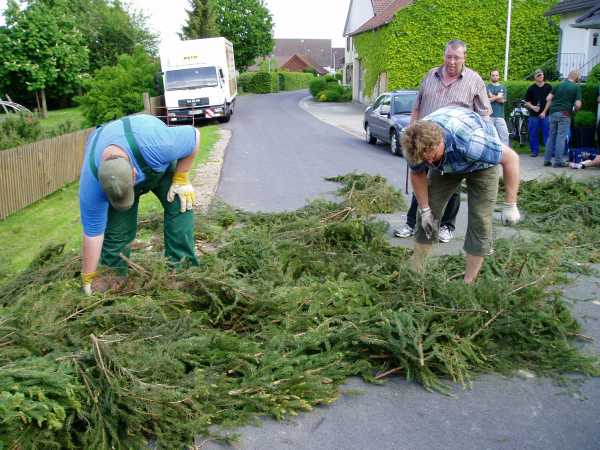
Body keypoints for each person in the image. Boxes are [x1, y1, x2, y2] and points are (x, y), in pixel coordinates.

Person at [79, 114, 200, 295]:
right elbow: (92, 234)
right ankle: (113, 278)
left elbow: (195, 136)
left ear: (134, 174)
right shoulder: (91, 186)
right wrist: (88, 277)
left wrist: (181, 178)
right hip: (124, 160)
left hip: (156, 161)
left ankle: (181, 271)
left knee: (180, 205)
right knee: (117, 230)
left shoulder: (161, 145)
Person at [401, 106, 521, 284]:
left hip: (481, 165)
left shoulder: (473, 142)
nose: (428, 161)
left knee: (480, 218)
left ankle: (468, 282)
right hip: (446, 167)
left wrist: (511, 204)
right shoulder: (414, 145)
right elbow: (418, 173)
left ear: (440, 142)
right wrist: (425, 209)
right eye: (424, 159)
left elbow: (511, 158)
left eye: (431, 157)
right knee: (428, 213)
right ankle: (416, 272)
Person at [394, 39, 492, 244]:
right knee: (419, 178)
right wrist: (411, 133)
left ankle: (447, 226)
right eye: (449, 56)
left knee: (452, 185)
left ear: (464, 57)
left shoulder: (474, 81)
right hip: (423, 140)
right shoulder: (430, 75)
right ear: (444, 56)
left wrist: (480, 142)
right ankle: (412, 223)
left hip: (452, 145)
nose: (452, 61)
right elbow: (417, 107)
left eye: (457, 57)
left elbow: (484, 115)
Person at [544, 70, 582, 168]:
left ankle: (547, 160)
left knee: (551, 136)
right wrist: (575, 110)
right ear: (576, 78)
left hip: (553, 113)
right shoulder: (576, 87)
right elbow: (578, 104)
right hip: (565, 114)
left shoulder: (558, 85)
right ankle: (558, 161)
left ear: (568, 76)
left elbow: (548, 98)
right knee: (561, 137)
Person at [524, 69, 552, 157]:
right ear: (535, 77)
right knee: (533, 134)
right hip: (533, 115)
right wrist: (533, 107)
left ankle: (549, 152)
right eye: (539, 75)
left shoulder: (548, 87)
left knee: (547, 134)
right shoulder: (531, 88)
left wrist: (544, 112)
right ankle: (534, 151)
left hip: (546, 114)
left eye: (542, 75)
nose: (541, 77)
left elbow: (550, 100)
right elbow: (526, 102)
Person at [487, 69, 509, 145]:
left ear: (499, 76)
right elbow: (486, 101)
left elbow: (502, 101)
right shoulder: (486, 87)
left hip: (500, 116)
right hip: (489, 116)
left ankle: (505, 155)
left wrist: (492, 96)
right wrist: (498, 97)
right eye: (493, 75)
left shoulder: (503, 87)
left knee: (504, 136)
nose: (495, 77)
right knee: (490, 137)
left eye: (496, 75)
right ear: (490, 76)